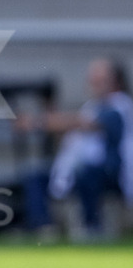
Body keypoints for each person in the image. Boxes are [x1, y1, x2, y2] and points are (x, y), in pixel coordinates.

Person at [17, 57, 133, 241]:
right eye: (92, 78)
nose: (93, 83)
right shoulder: (92, 106)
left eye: (100, 79)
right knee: (35, 177)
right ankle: (45, 229)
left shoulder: (121, 105)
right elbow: (70, 138)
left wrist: (38, 122)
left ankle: (92, 226)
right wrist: (51, 115)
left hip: (113, 173)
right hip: (85, 171)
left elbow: (86, 124)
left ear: (116, 81)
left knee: (86, 172)